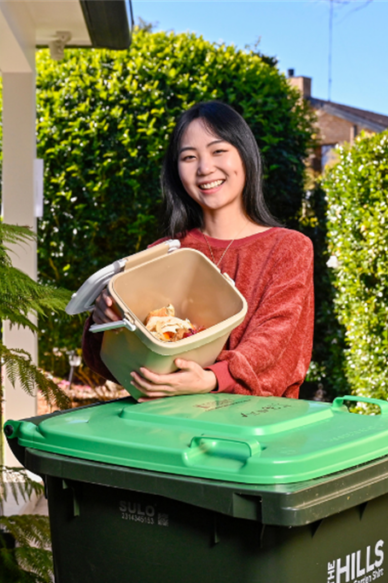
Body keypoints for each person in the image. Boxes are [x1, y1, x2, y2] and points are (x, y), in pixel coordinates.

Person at [82, 101, 314, 399]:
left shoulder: (289, 248)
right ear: (176, 171)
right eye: (189, 157)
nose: (205, 168)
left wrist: (212, 378)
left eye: (218, 151)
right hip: (170, 430)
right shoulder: (163, 253)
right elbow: (119, 357)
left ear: (245, 156)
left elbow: (278, 340)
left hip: (254, 432)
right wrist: (107, 321)